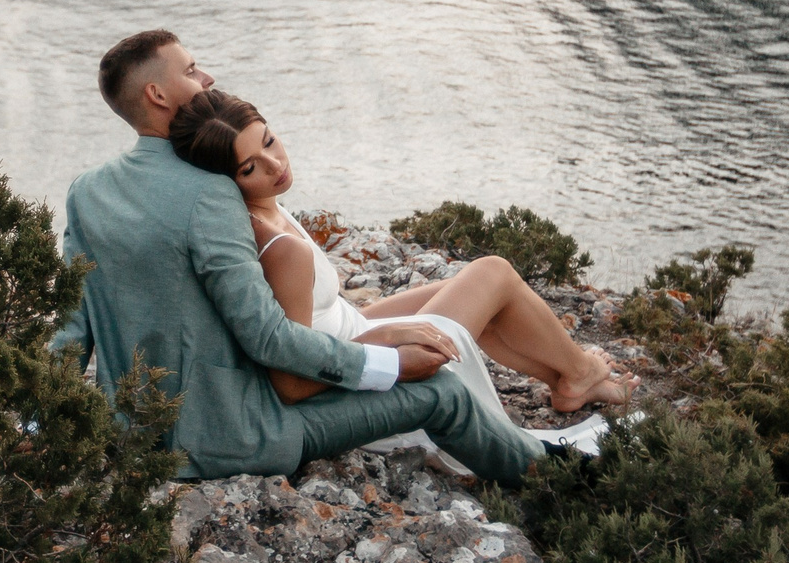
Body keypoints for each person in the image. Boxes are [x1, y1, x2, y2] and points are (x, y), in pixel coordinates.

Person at [54, 30, 548, 484]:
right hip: (231, 439)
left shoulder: (87, 192)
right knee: (442, 394)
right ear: (157, 95)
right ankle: (557, 483)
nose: (206, 78)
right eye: (190, 70)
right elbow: (267, 336)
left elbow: (72, 330)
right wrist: (387, 363)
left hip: (133, 439)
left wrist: (38, 424)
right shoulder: (210, 193)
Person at [166, 89, 634, 422]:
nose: (275, 165)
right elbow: (291, 380)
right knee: (493, 273)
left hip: (351, 328)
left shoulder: (260, 207)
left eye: (268, 141)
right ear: (227, 180)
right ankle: (580, 373)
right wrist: (388, 338)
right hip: (350, 380)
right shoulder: (277, 246)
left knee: (468, 288)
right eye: (251, 167)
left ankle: (567, 379)